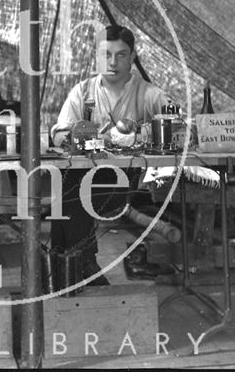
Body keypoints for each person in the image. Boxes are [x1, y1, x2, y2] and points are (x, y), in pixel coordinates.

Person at [50, 25, 170, 284]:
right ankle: (76, 268)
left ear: (133, 56)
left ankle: (76, 268)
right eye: (106, 55)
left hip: (126, 181)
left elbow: (178, 125)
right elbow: (58, 134)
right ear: (96, 56)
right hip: (85, 175)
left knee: (68, 193)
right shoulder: (83, 91)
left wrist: (140, 134)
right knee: (67, 188)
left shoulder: (148, 94)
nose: (113, 62)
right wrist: (81, 137)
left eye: (121, 55)